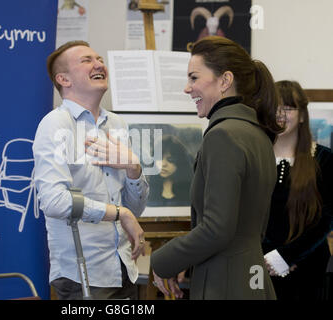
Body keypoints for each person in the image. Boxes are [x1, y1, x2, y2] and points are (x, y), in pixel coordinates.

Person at [150, 36, 282, 300]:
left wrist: (162, 261)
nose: (187, 88)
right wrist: (185, 261)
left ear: (225, 81)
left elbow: (217, 228)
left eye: (194, 78)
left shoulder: (223, 135)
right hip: (250, 275)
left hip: (225, 282)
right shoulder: (257, 134)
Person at [33, 40, 149, 300]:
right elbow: (53, 201)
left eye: (99, 59)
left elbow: (135, 209)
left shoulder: (117, 124)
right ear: (64, 79)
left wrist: (134, 169)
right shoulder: (55, 125)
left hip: (124, 267)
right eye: (86, 60)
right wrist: (119, 213)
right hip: (82, 274)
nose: (99, 64)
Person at [262, 80, 332, 300]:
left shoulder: (323, 158)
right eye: (275, 107)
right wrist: (265, 256)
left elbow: (327, 218)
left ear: (302, 115)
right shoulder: (256, 157)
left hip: (309, 269)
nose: (280, 113)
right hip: (259, 266)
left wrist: (287, 256)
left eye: (288, 107)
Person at [147, 135, 193, 207]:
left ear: (180, 162)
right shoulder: (148, 189)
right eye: (159, 158)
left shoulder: (190, 190)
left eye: (170, 160)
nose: (163, 164)